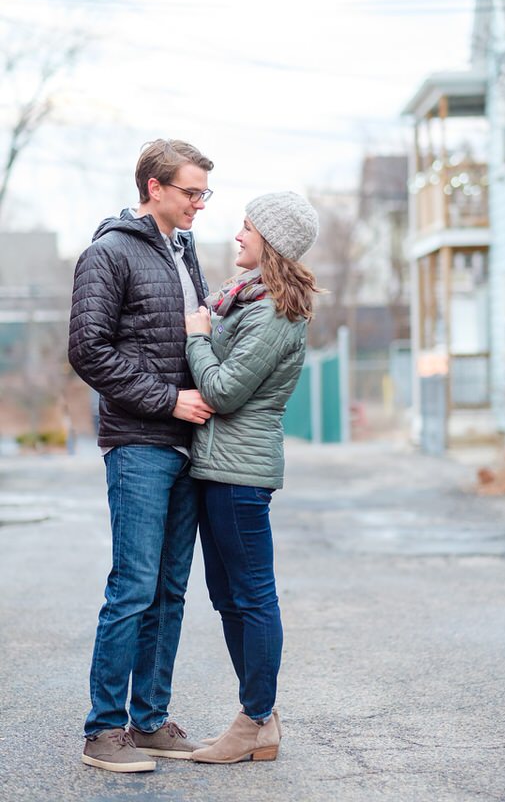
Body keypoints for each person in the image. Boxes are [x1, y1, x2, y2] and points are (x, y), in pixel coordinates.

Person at [69, 138, 215, 772]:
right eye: (190, 192)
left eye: (204, 194)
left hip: (190, 445)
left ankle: (149, 721)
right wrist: (168, 402)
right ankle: (104, 732)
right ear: (153, 187)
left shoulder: (185, 253)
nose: (198, 205)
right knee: (132, 586)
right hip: (139, 444)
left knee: (171, 591)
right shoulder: (107, 253)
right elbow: (89, 351)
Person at [183, 191, 319, 764]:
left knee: (252, 597)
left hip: (240, 474)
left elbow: (223, 390)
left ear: (272, 243)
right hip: (219, 469)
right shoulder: (245, 301)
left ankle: (256, 718)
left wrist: (196, 335)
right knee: (228, 596)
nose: (237, 236)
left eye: (247, 228)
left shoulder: (273, 314)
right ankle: (258, 716)